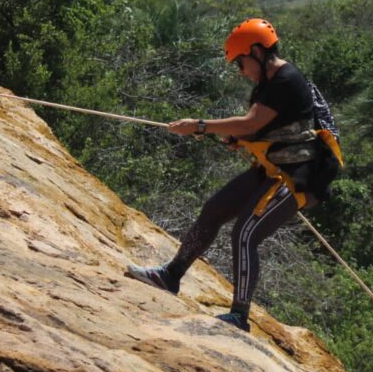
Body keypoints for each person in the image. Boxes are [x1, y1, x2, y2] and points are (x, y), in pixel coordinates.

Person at [125, 18, 337, 332]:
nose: (240, 71)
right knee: (214, 209)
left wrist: (200, 125)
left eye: (240, 62)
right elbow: (264, 128)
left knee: (245, 234)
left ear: (256, 51)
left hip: (296, 177)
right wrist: (237, 138)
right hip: (272, 168)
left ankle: (239, 316)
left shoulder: (287, 80)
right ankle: (171, 275)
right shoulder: (268, 84)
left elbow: (251, 123)